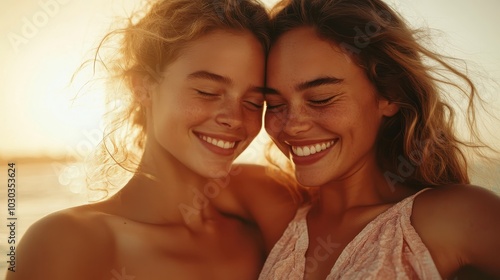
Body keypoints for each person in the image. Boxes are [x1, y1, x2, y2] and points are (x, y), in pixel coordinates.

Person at [6, 1, 300, 279]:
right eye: (208, 92)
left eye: (252, 102)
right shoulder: (68, 241)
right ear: (143, 87)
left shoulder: (260, 215)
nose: (234, 118)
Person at [259, 0, 500, 279]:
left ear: (390, 93)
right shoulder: (272, 215)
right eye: (273, 104)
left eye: (321, 99)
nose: (292, 126)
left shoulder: (457, 216)